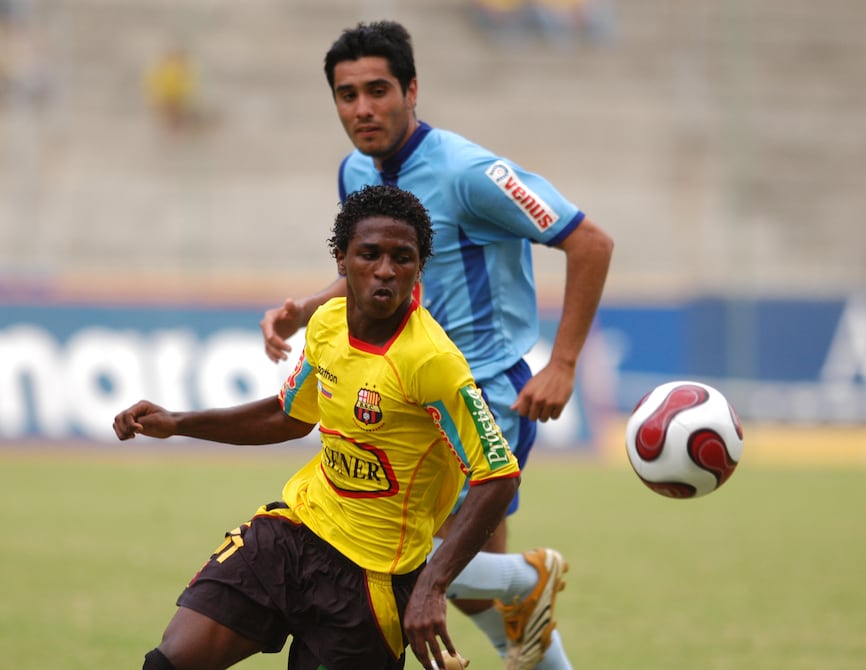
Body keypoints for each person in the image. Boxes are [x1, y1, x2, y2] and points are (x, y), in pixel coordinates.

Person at [259, 20, 614, 670]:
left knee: (400, 549)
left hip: (481, 390)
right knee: (494, 602)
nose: (363, 109)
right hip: (410, 392)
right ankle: (519, 592)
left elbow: (590, 241)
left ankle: (523, 581)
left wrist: (563, 363)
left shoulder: (470, 174)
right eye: (347, 95)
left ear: (412, 90)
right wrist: (305, 309)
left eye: (378, 90)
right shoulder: (355, 171)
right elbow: (372, 272)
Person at [113, 185, 521, 670]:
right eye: (369, 254)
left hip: (371, 583)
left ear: (419, 268)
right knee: (169, 662)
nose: (386, 270)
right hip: (294, 534)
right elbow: (288, 416)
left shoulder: (432, 361)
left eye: (403, 258)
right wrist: (178, 422)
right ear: (342, 259)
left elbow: (499, 476)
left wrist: (432, 586)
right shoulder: (328, 322)